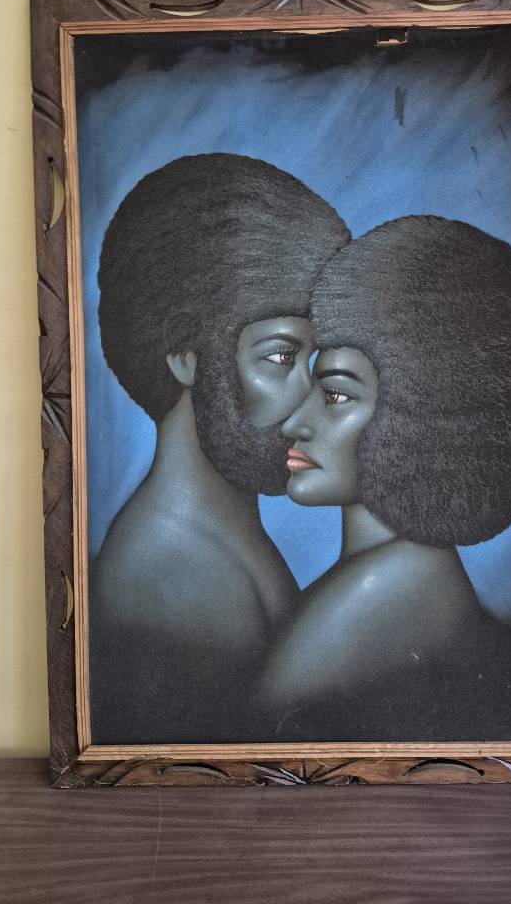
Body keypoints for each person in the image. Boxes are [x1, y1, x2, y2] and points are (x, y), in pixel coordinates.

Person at [261, 215, 511, 741]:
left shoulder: (383, 592)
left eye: (336, 395)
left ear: (424, 414)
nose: (295, 422)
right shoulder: (406, 573)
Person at [90, 153, 350, 742]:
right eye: (281, 357)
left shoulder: (222, 534)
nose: (311, 398)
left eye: (319, 362)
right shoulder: (165, 572)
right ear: (185, 357)